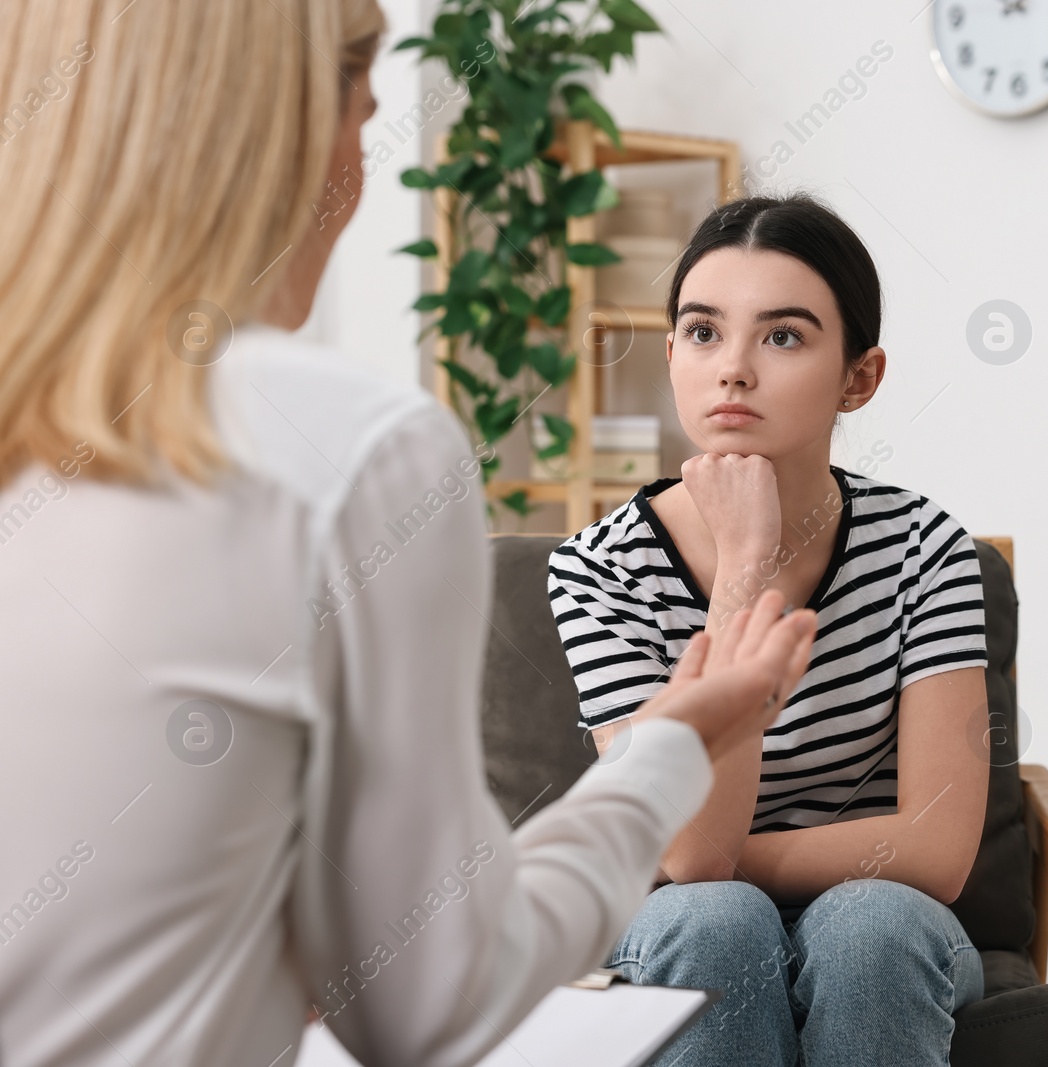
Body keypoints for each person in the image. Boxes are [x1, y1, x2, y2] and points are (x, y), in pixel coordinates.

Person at [0, 2, 817, 1063]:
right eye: (362, 108)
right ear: (280, 121)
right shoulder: (347, 451)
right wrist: (674, 744)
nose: (360, 167)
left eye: (781, 333)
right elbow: (430, 999)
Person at [546, 193, 991, 1066]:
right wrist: (746, 568)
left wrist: (701, 857)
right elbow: (693, 863)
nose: (733, 369)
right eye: (704, 332)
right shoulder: (600, 571)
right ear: (671, 351)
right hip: (680, 929)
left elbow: (935, 854)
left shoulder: (924, 547)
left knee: (870, 925)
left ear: (858, 377)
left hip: (886, 923)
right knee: (711, 921)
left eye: (782, 336)